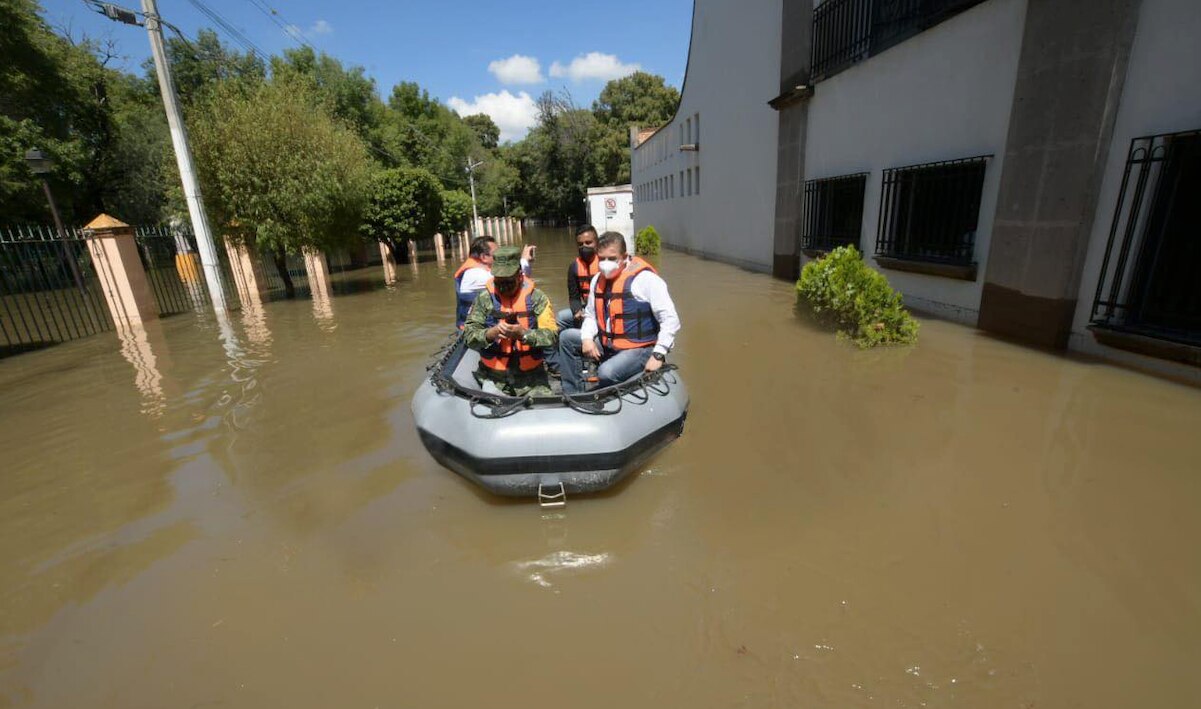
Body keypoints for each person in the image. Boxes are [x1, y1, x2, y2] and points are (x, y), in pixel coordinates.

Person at [558, 231, 680, 394]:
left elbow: (670, 319)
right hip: (610, 343)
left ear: (624, 257)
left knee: (606, 372)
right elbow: (591, 315)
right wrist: (587, 339)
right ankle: (573, 394)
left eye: (612, 258)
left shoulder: (645, 280)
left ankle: (615, 390)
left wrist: (658, 354)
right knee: (567, 338)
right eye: (601, 259)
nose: (605, 264)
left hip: (640, 347)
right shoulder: (597, 280)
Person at [461, 246, 559, 397]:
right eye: (499, 281)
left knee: (543, 408)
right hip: (492, 377)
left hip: (531, 379)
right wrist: (490, 334)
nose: (503, 287)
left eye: (508, 281)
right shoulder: (484, 298)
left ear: (520, 275)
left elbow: (551, 336)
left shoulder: (538, 298)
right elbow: (468, 336)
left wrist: (524, 334)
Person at [454, 236, 535, 329]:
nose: (500, 258)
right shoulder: (473, 274)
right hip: (473, 331)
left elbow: (518, 275)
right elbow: (510, 275)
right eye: (496, 255)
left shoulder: (480, 270)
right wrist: (524, 259)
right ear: (484, 257)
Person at [556, 225, 600, 331]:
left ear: (597, 243)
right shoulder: (574, 267)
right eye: (580, 244)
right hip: (587, 309)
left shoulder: (605, 263)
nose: (584, 246)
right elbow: (574, 296)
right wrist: (577, 311)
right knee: (561, 318)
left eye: (588, 242)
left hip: (604, 309)